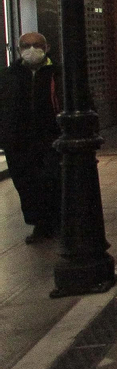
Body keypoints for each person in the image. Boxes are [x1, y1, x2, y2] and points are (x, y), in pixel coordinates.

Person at [0, 33, 61, 243]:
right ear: (19, 50)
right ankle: (40, 224)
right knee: (27, 185)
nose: (31, 50)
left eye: (37, 45)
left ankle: (56, 221)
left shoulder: (57, 73)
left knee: (52, 180)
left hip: (51, 138)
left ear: (46, 47)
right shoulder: (8, 76)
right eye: (26, 45)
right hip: (19, 142)